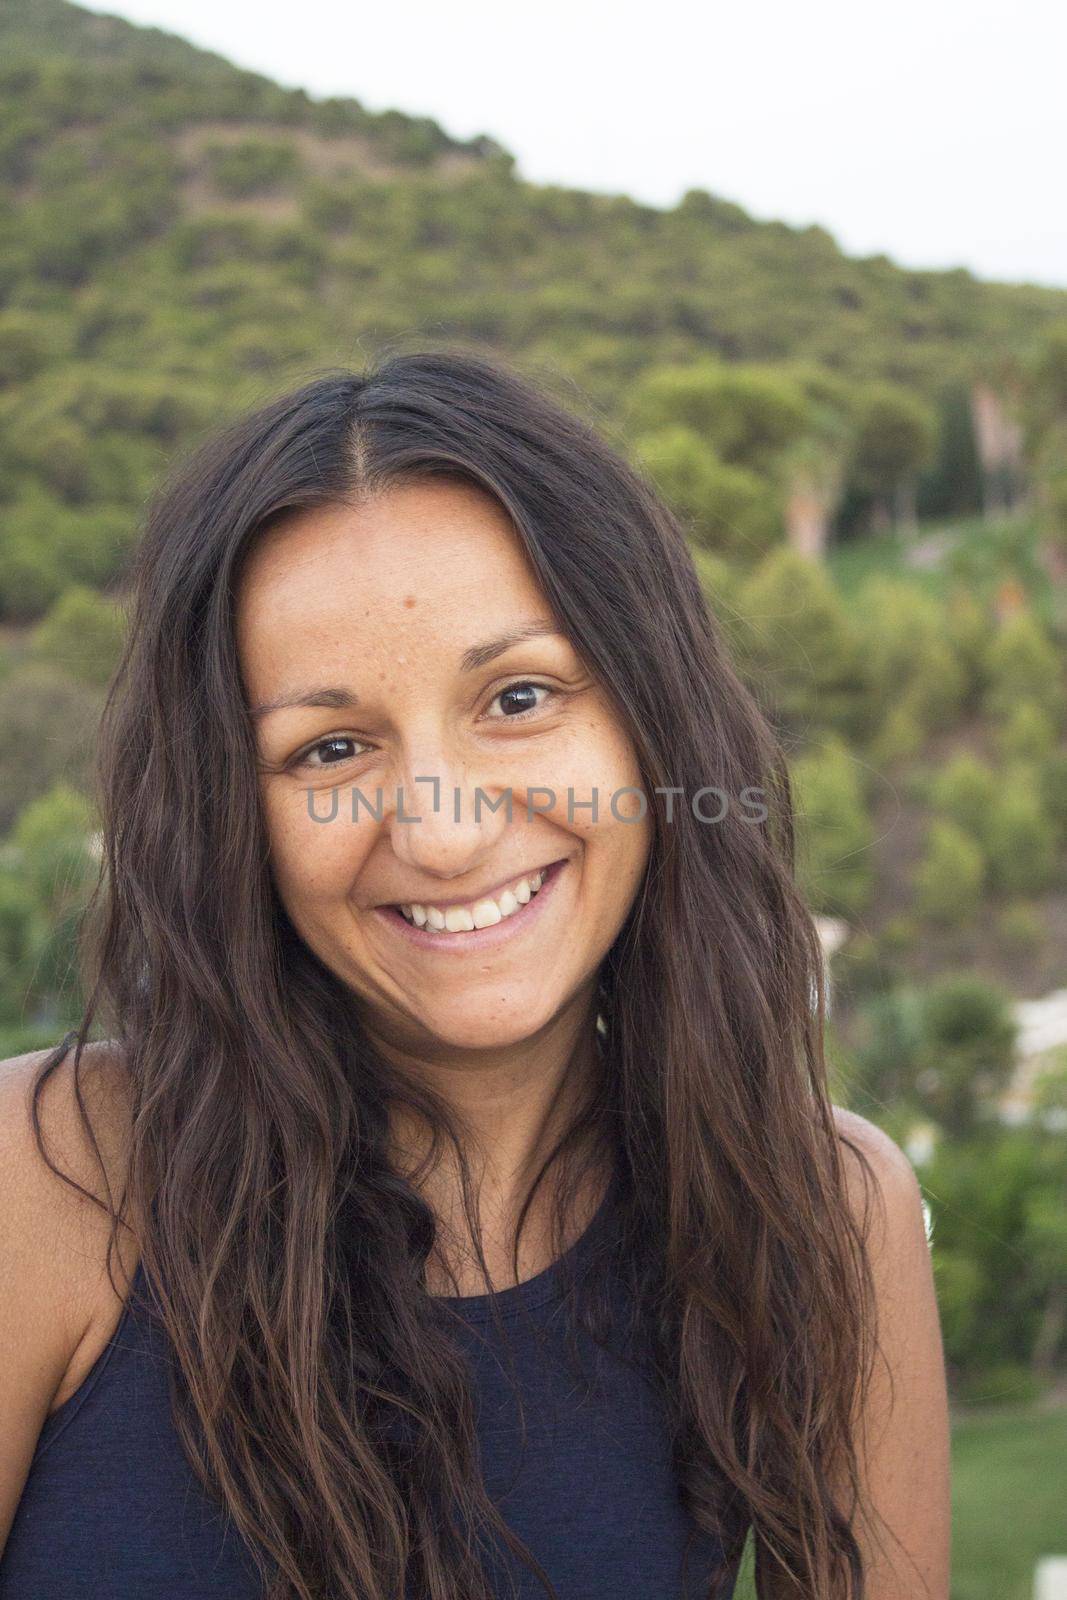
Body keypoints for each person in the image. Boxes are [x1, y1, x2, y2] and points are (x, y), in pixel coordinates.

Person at [0, 347, 950, 1599]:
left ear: (652, 723)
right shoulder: (44, 1186)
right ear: (231, 813)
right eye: (329, 746)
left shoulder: (822, 1213)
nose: (442, 831)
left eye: (517, 696)